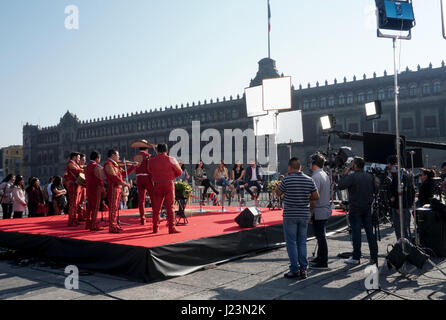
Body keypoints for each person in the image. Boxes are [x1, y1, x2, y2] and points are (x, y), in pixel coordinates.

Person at [276, 157, 319, 279]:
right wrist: (304, 198)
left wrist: (284, 180)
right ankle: (304, 269)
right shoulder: (309, 180)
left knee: (291, 243)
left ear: (290, 167)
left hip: (290, 215)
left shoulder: (287, 179)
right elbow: (316, 196)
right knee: (302, 242)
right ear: (300, 167)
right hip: (304, 214)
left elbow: (278, 193)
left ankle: (294, 269)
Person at [338, 156, 378, 266]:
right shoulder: (370, 176)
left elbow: (340, 185)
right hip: (367, 207)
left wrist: (345, 172)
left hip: (355, 208)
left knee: (356, 233)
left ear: (355, 165)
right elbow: (376, 190)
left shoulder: (352, 177)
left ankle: (356, 257)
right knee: (370, 233)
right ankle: (374, 257)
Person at [148, 143, 183, 234]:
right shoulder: (171, 159)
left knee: (156, 208)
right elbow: (179, 171)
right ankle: (171, 228)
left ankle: (155, 228)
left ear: (157, 150)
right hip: (168, 184)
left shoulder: (151, 160)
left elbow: (150, 170)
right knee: (170, 207)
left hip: (157, 184)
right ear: (166, 150)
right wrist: (172, 176)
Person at [104, 149, 135, 233]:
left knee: (115, 208)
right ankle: (112, 226)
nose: (119, 157)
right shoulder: (108, 164)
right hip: (113, 188)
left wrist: (133, 167)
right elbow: (114, 177)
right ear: (113, 155)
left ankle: (115, 225)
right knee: (113, 208)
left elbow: (123, 173)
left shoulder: (115, 165)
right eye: (117, 155)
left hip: (117, 188)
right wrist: (124, 183)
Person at [309, 153, 332, 269]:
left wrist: (310, 212)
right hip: (324, 208)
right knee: (320, 236)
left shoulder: (315, 177)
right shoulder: (324, 174)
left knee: (321, 236)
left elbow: (314, 197)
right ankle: (320, 257)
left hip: (319, 210)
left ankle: (323, 260)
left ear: (314, 164)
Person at [387, 155, 415, 241]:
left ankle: (403, 248)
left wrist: (397, 206)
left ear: (391, 164)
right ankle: (408, 247)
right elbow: (412, 190)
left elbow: (396, 191)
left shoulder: (396, 175)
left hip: (399, 206)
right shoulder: (408, 173)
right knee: (406, 228)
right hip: (406, 205)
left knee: (400, 230)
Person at [133, 142, 155, 225]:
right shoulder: (148, 156)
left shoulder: (135, 157)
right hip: (147, 178)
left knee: (141, 200)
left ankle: (142, 218)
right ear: (146, 148)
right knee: (153, 198)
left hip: (139, 178)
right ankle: (155, 216)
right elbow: (149, 169)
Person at [85, 151, 105, 231]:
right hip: (96, 189)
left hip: (89, 189)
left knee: (89, 207)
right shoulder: (96, 166)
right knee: (95, 207)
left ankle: (88, 224)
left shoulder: (87, 167)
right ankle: (94, 225)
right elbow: (99, 179)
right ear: (97, 158)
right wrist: (103, 188)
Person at [63, 152, 83, 226]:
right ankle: (71, 221)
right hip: (73, 185)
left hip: (76, 185)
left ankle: (74, 219)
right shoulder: (70, 163)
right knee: (73, 203)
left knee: (76, 203)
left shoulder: (75, 164)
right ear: (74, 157)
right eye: (78, 157)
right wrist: (83, 170)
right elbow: (76, 171)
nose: (79, 159)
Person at [77, 153, 87, 222]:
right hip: (79, 186)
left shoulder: (84, 167)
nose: (84, 161)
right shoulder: (77, 168)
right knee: (79, 201)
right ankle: (80, 215)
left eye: (84, 160)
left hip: (84, 186)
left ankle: (83, 214)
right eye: (82, 160)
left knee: (84, 200)